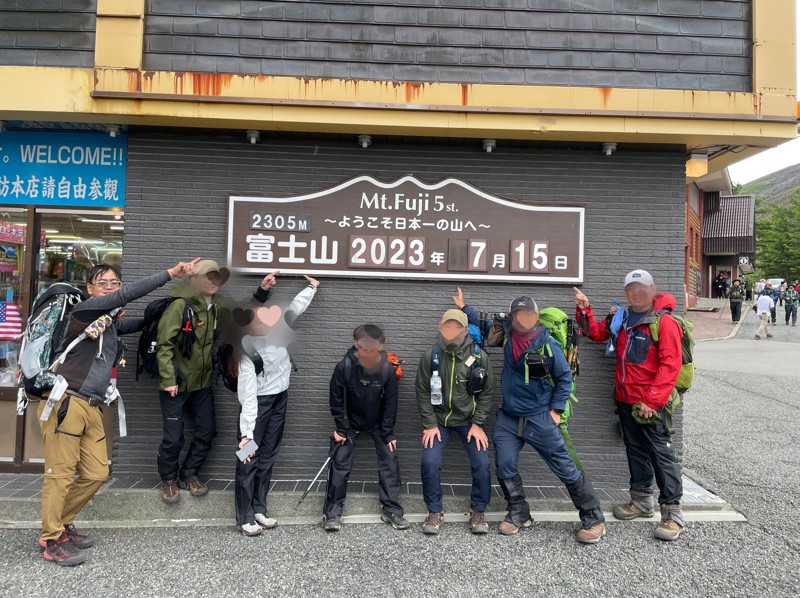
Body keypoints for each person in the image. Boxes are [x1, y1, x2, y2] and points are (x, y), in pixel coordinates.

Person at [38, 259, 198, 566]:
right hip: (66, 402)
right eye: (103, 283)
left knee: (97, 473)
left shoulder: (108, 324)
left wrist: (164, 312)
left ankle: (63, 524)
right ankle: (51, 538)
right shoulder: (83, 312)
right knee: (59, 476)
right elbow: (123, 299)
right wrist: (169, 274)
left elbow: (133, 324)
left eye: (115, 283)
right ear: (90, 288)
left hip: (93, 405)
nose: (110, 288)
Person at [574, 270, 685, 541]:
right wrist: (586, 311)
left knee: (662, 455)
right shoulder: (622, 317)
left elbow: (671, 364)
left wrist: (651, 400)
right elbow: (598, 334)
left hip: (650, 404)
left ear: (652, 288)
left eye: (642, 288)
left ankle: (672, 514)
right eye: (631, 289)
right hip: (626, 400)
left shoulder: (665, 322)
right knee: (635, 451)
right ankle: (641, 501)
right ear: (626, 292)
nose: (636, 293)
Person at [488, 296, 606, 543]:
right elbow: (483, 328)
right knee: (504, 465)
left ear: (536, 316)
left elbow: (564, 379)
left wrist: (556, 411)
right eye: (519, 315)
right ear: (512, 317)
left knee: (564, 467)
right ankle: (519, 513)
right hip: (508, 418)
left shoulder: (548, 345)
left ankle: (593, 518)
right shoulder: (508, 336)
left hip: (539, 417)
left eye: (528, 314)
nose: (524, 319)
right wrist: (464, 309)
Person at [156, 260, 269, 504]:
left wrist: (262, 292)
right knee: (173, 437)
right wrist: (168, 379)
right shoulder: (179, 306)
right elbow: (164, 345)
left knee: (207, 432)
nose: (212, 281)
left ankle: (189, 474)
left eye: (216, 277)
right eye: (207, 276)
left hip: (203, 382)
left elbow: (242, 316)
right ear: (193, 279)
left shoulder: (216, 306)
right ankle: (168, 481)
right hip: (175, 383)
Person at [235, 274, 320, 535]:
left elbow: (295, 307)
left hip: (280, 399)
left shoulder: (279, 326)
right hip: (256, 408)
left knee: (269, 455)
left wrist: (312, 287)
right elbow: (246, 397)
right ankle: (244, 516)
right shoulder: (248, 353)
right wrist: (246, 434)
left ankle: (259, 508)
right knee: (247, 458)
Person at [415, 305, 494, 535]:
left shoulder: (479, 357)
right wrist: (429, 423)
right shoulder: (431, 355)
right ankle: (434, 510)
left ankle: (478, 510)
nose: (451, 331)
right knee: (429, 462)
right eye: (447, 326)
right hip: (439, 420)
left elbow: (487, 392)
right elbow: (421, 390)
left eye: (456, 327)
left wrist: (478, 423)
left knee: (482, 464)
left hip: (469, 421)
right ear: (440, 328)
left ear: (464, 330)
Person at [323, 324, 409, 532]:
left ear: (381, 345)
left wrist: (388, 432)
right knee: (340, 462)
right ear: (356, 344)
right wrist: (341, 429)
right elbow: (336, 399)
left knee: (389, 459)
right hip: (349, 424)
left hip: (378, 423)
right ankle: (332, 512)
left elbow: (391, 403)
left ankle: (391, 510)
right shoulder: (344, 366)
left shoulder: (387, 368)